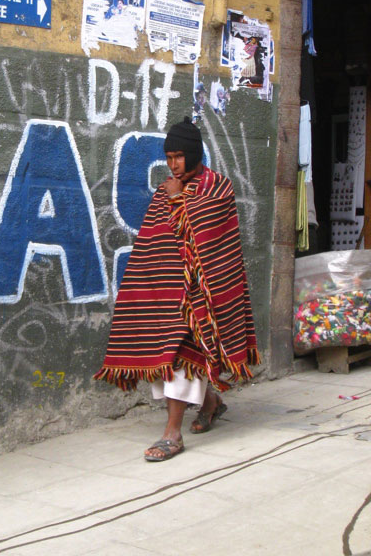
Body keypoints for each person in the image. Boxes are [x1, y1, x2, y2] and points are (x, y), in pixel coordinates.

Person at [94, 116, 260, 462]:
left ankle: (173, 433)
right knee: (168, 358)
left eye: (179, 156)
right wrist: (145, 286)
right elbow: (154, 242)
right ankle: (210, 402)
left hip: (204, 298)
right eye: (168, 157)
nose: (173, 164)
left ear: (195, 154)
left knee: (182, 359)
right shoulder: (166, 190)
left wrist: (179, 200)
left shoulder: (218, 187)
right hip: (171, 296)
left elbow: (211, 238)